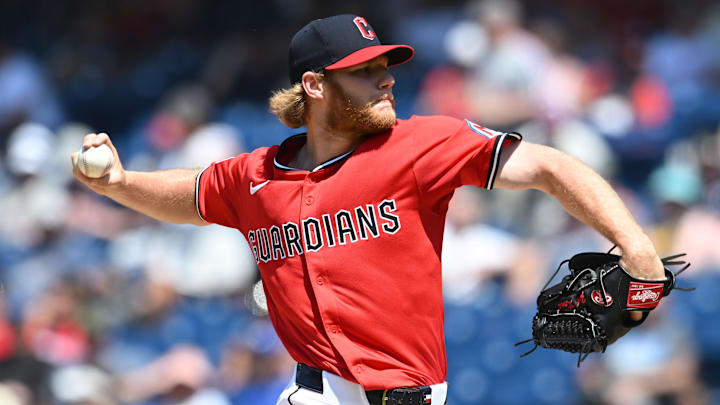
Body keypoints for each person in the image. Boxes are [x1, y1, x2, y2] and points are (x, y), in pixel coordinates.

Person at [72, 14, 666, 405]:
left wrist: (636, 246)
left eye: (387, 68)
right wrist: (120, 183)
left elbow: (551, 166)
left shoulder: (419, 144)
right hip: (314, 392)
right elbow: (190, 195)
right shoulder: (254, 175)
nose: (387, 82)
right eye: (366, 71)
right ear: (314, 86)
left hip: (406, 394)